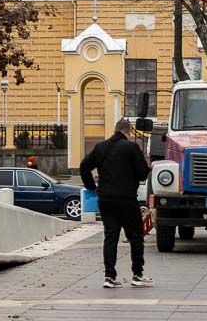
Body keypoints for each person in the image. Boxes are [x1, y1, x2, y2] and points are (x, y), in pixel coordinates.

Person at [80, 118, 152, 289]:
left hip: (105, 199)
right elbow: (142, 174)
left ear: (115, 130)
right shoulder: (131, 147)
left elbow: (83, 167)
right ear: (127, 132)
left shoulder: (100, 147)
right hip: (126, 200)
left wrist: (92, 187)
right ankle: (137, 274)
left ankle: (109, 277)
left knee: (110, 236)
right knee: (135, 236)